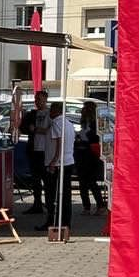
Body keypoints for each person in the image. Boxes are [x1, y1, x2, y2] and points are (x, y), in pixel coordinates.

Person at [40, 100, 75, 237]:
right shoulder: (69, 123)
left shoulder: (56, 123)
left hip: (58, 163)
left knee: (53, 194)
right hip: (68, 161)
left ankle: (54, 221)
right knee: (65, 194)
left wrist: (54, 161)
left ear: (55, 111)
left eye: (51, 111)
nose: (49, 113)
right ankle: (66, 222)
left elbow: (59, 143)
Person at [75, 100, 105, 214]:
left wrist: (85, 136)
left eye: (85, 108)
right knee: (82, 181)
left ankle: (100, 205)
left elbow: (96, 137)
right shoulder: (83, 122)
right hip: (82, 151)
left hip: (90, 153)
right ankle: (86, 207)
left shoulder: (95, 123)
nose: (83, 110)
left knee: (91, 181)